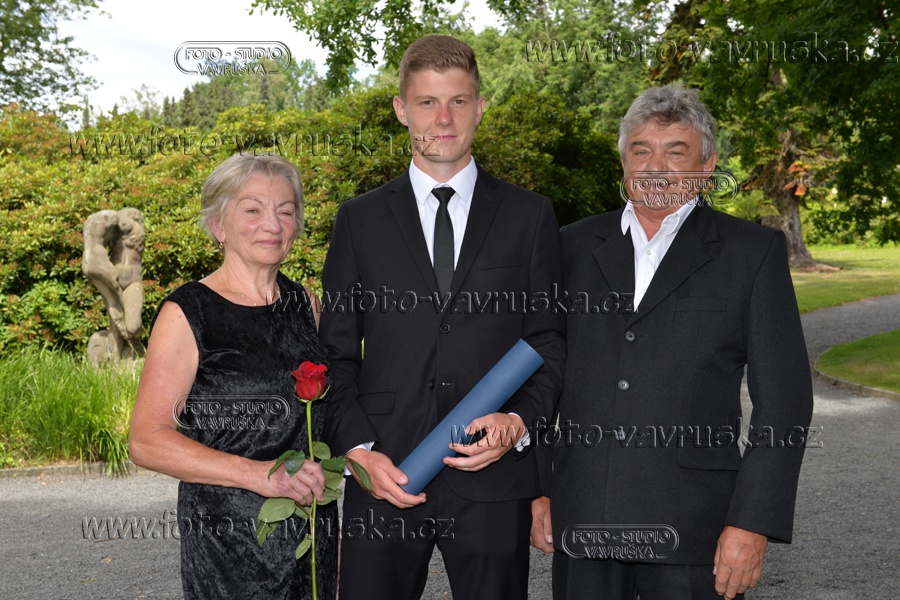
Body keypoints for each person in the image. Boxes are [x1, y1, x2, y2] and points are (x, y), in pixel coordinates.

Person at [532, 83, 815, 600]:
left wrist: (752, 522)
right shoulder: (568, 246)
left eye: (676, 152)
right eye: (641, 151)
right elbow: (539, 372)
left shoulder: (752, 253)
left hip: (696, 529)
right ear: (624, 162)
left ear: (707, 167)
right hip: (583, 519)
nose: (655, 167)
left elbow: (785, 401)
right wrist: (539, 487)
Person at [319, 35, 566, 600]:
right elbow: (334, 353)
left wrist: (519, 422)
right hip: (385, 472)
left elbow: (549, 340)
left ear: (480, 107)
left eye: (459, 100)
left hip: (493, 480)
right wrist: (358, 452)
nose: (444, 118)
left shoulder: (530, 216)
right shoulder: (359, 220)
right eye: (427, 102)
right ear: (402, 110)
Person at [129, 154, 336, 600]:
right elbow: (146, 440)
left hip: (311, 537)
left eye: (285, 211)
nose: (273, 224)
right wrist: (258, 475)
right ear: (218, 225)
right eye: (253, 209)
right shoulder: (188, 312)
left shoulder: (307, 305)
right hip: (229, 546)